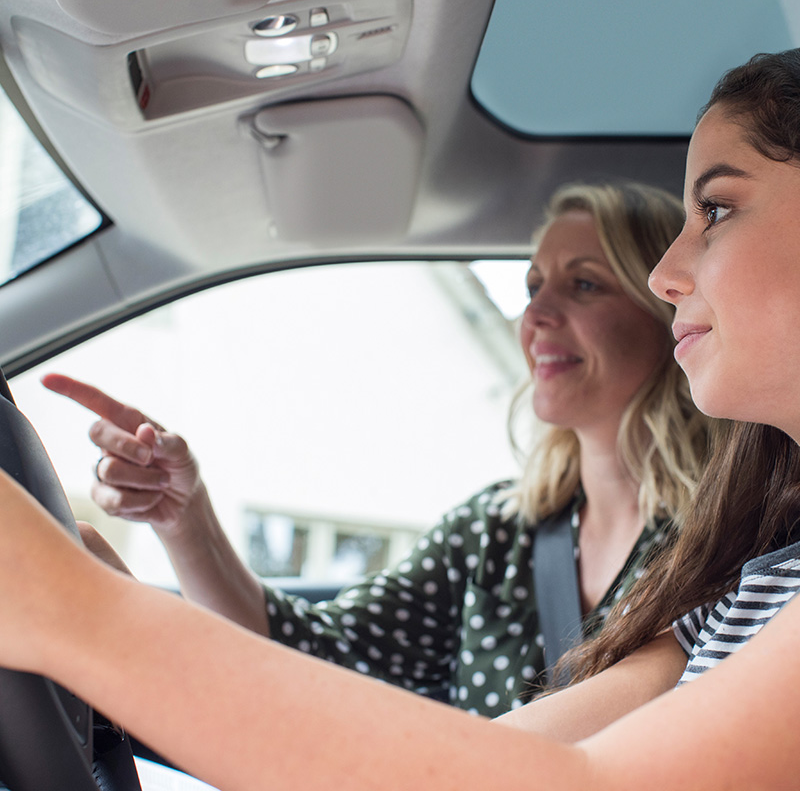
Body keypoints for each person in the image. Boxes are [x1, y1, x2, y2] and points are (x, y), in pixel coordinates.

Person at [2, 47, 800, 791]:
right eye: (531, 289)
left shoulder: (728, 559)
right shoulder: (733, 584)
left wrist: (81, 616)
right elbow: (522, 755)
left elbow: (575, 783)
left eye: (719, 211)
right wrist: (108, 601)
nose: (670, 275)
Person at [41, 181, 709, 714]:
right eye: (533, 287)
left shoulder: (729, 540)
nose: (534, 316)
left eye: (584, 283)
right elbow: (312, 658)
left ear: (668, 311)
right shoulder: (496, 533)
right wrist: (184, 520)